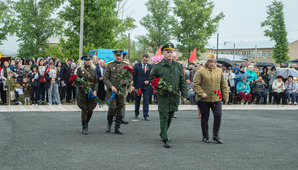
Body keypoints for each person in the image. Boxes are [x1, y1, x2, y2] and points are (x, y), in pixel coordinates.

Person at [149, 43, 187, 148]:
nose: (169, 54)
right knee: (164, 116)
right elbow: (152, 80)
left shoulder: (178, 66)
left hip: (174, 96)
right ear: (163, 53)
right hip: (163, 96)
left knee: (170, 115)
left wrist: (184, 94)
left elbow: (182, 81)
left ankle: (163, 132)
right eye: (167, 52)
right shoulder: (158, 66)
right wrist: (161, 87)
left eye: (171, 52)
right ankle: (165, 138)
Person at [193, 53, 229, 144]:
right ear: (207, 62)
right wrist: (201, 93)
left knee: (218, 115)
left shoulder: (219, 71)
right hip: (204, 99)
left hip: (216, 98)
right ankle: (205, 136)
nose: (212, 63)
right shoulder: (200, 71)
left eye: (213, 62)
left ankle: (216, 135)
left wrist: (226, 97)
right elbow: (195, 85)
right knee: (205, 118)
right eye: (210, 62)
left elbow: (223, 85)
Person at [103, 50, 132, 135]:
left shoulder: (126, 65)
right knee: (112, 107)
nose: (118, 57)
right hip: (112, 91)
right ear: (114, 56)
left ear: (122, 56)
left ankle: (117, 127)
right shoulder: (109, 65)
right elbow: (105, 78)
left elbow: (130, 78)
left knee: (120, 108)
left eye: (120, 56)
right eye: (117, 56)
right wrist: (111, 86)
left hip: (121, 91)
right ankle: (109, 124)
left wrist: (125, 82)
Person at [76, 55, 98, 135]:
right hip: (83, 92)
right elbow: (76, 79)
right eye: (86, 60)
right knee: (84, 109)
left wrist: (95, 90)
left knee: (90, 109)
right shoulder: (79, 69)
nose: (88, 61)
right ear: (83, 61)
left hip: (91, 92)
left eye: (89, 60)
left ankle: (86, 122)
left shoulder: (94, 69)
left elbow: (96, 82)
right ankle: (84, 127)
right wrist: (80, 84)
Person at [132, 54, 153, 121]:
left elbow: (152, 76)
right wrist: (133, 85)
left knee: (146, 100)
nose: (145, 61)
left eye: (147, 60)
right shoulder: (136, 65)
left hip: (146, 86)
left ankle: (146, 115)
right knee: (137, 100)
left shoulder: (150, 66)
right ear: (142, 59)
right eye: (144, 60)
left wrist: (149, 81)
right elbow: (134, 76)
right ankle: (136, 112)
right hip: (138, 86)